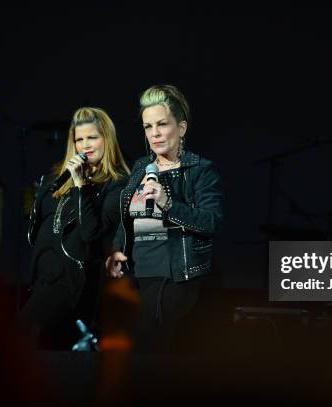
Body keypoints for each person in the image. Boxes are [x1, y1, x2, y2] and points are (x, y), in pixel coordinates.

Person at [106, 84, 223, 354]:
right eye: (148, 127)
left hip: (176, 279)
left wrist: (168, 204)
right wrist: (116, 248)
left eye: (162, 124)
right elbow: (128, 218)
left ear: (181, 128)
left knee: (154, 358)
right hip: (138, 277)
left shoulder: (200, 170)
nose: (154, 134)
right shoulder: (140, 168)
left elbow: (211, 222)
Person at [20, 107, 129, 349]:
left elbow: (91, 233)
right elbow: (38, 226)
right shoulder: (56, 177)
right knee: (50, 355)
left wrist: (81, 185)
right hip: (43, 279)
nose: (85, 145)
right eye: (79, 139)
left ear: (106, 139)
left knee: (22, 335)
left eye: (92, 137)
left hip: (72, 281)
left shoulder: (116, 184)